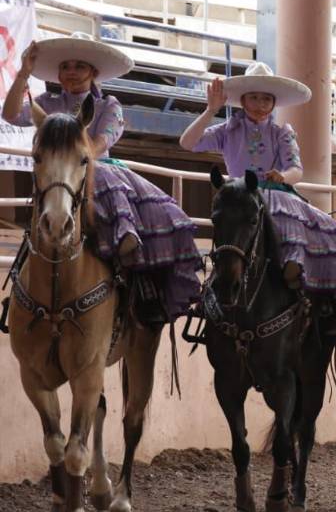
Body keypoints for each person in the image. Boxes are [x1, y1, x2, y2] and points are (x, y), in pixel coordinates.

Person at [2, 32, 201, 323]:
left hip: (95, 169)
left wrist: (79, 158)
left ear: (93, 72)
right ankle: (24, 275)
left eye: (79, 67)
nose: (71, 72)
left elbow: (99, 145)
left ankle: (129, 249)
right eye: (66, 66)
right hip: (61, 178)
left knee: (103, 174)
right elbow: (9, 115)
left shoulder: (109, 105)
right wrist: (23, 74)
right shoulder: (46, 102)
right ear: (58, 73)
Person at [179, 62, 336, 334]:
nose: (260, 103)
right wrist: (210, 110)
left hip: (277, 192)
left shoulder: (281, 132)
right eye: (254, 97)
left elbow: (297, 170)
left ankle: (299, 274)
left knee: (327, 230)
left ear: (274, 103)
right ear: (242, 100)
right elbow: (187, 142)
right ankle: (216, 286)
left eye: (266, 98)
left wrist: (283, 176)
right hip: (240, 193)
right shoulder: (228, 129)